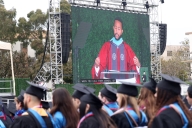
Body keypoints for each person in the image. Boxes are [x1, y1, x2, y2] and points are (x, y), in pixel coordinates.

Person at [91, 17, 141, 83]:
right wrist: (97, 66)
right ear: (113, 28)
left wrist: (137, 65)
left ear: (122, 31)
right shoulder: (107, 46)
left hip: (124, 84)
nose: (117, 31)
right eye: (115, 28)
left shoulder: (127, 48)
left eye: (119, 29)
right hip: (110, 83)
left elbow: (134, 66)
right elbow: (100, 66)